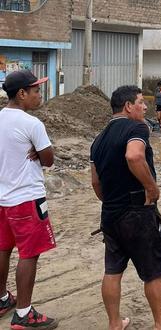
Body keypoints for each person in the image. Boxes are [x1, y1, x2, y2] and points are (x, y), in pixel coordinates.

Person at [90, 85, 161, 330]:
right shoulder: (137, 127)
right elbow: (134, 156)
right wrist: (151, 188)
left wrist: (110, 201)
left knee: (112, 269)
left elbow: (95, 182)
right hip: (137, 213)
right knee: (152, 270)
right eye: (141, 102)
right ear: (128, 106)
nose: (145, 107)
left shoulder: (97, 140)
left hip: (110, 214)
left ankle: (114, 323)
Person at [0, 70, 59, 329]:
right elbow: (48, 160)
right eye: (36, 90)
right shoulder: (32, 124)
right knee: (29, 253)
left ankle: (2, 298)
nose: (39, 95)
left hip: (2, 197)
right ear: (21, 94)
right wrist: (38, 149)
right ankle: (24, 313)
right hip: (26, 198)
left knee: (3, 248)